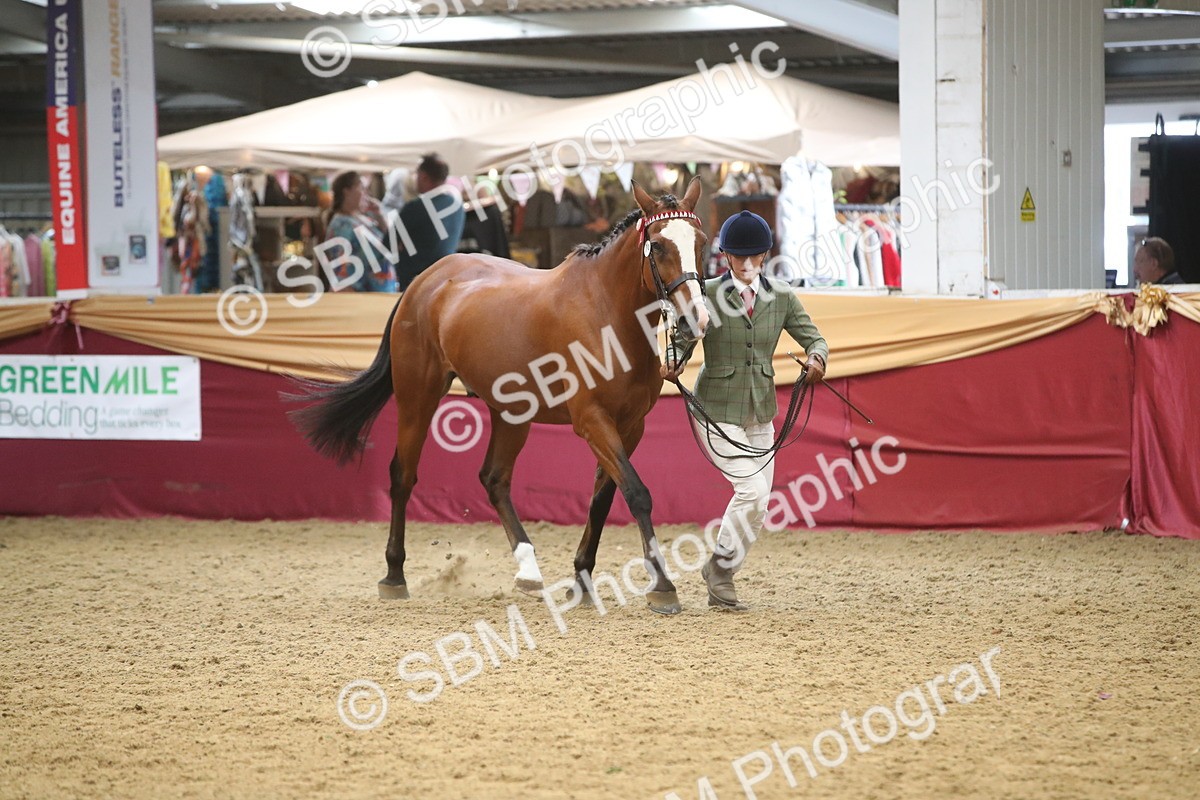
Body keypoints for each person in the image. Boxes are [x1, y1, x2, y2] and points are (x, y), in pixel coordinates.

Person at [664, 210, 828, 611]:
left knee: (760, 504)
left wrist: (817, 360)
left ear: (767, 254)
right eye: (741, 257)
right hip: (716, 411)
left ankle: (721, 575)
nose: (749, 264)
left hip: (761, 410)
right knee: (751, 490)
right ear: (726, 256)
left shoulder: (783, 297)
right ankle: (720, 571)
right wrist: (674, 360)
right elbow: (681, 342)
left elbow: (815, 338)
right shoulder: (706, 296)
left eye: (756, 256)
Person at [393, 153, 466, 291]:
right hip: (446, 282)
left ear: (423, 176)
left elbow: (389, 243)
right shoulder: (457, 206)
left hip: (414, 285)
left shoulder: (416, 207)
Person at [325, 171, 398, 292]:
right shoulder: (341, 225)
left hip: (381, 294)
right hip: (362, 297)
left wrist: (380, 216)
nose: (367, 194)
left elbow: (390, 241)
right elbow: (340, 270)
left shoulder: (365, 219)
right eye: (362, 188)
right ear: (347, 191)